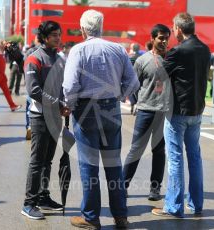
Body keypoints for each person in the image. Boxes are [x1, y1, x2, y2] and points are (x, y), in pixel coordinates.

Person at [63, 9, 139, 230]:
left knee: (89, 167)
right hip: (112, 109)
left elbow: (69, 86)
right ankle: (120, 216)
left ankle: (91, 217)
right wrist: (119, 94)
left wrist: (70, 104)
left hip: (86, 111)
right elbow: (133, 82)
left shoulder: (78, 50)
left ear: (83, 29)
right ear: (101, 27)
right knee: (113, 165)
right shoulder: (118, 49)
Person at [152, 12, 210, 218]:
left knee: (175, 158)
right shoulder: (205, 49)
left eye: (173, 28)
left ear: (178, 28)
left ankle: (174, 206)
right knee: (195, 158)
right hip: (197, 110)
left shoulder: (177, 50)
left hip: (178, 112)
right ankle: (196, 205)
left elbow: (159, 76)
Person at [21, 20, 68, 220]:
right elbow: (34, 91)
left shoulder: (59, 58)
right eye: (54, 35)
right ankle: (28, 203)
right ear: (45, 37)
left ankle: (42, 197)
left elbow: (62, 86)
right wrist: (58, 104)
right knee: (37, 161)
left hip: (55, 117)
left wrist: (66, 103)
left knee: (47, 160)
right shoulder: (34, 58)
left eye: (59, 34)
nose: (58, 38)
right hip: (40, 117)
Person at [123, 24, 173, 201]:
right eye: (161, 37)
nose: (164, 40)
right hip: (145, 111)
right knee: (136, 150)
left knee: (159, 151)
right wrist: (138, 102)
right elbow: (133, 85)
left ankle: (155, 188)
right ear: (152, 39)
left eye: (167, 37)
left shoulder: (171, 59)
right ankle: (122, 186)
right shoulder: (142, 61)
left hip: (164, 113)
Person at [0, 38, 21, 111]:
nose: (5, 45)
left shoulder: (3, 53)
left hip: (2, 76)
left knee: (7, 92)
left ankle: (12, 106)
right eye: (3, 44)